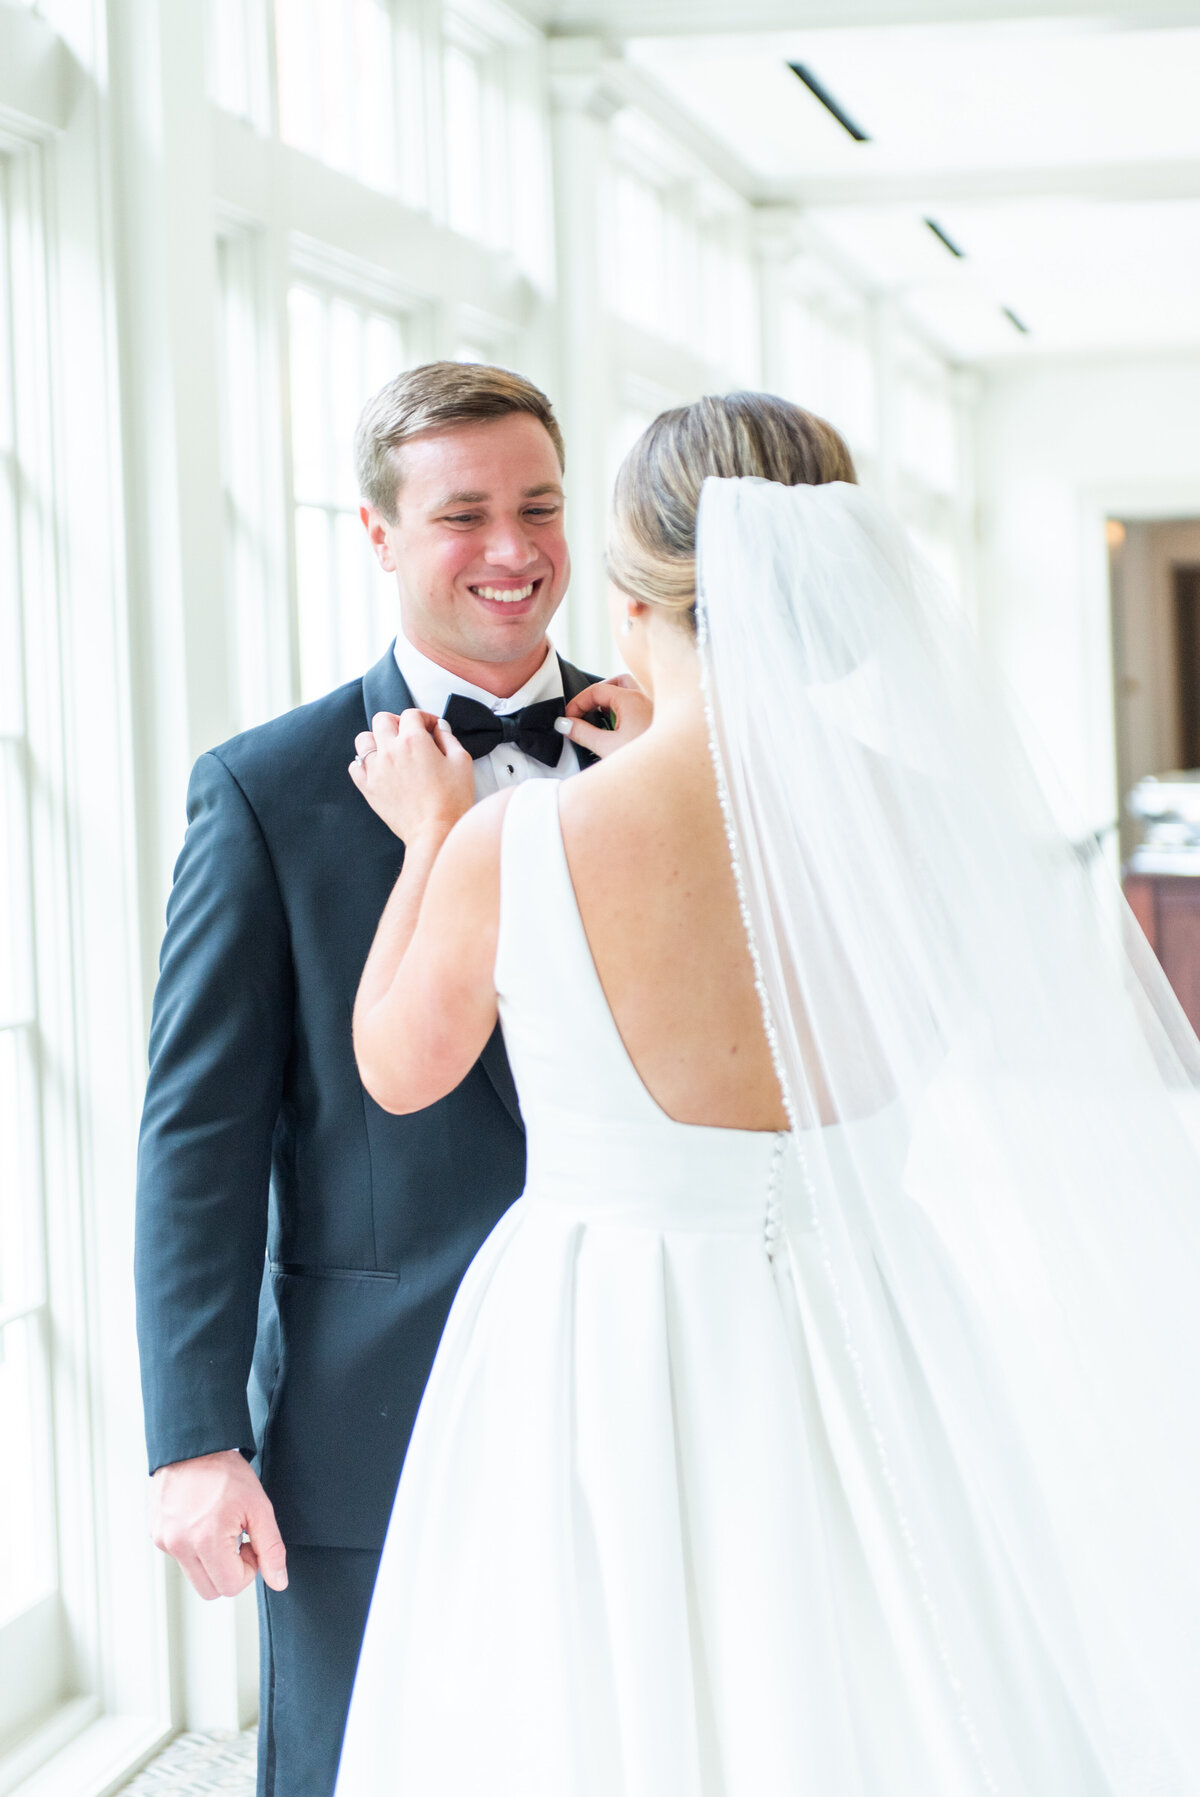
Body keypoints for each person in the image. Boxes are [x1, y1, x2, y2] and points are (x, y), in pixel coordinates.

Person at [335, 392, 1200, 1795]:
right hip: (874, 1309)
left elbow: (398, 1062)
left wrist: (435, 834)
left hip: (608, 1329)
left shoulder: (520, 839)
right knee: (884, 1682)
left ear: (636, 594)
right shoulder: (922, 823)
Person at [134, 362, 642, 1797]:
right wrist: (194, 1438)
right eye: (461, 513)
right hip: (374, 1412)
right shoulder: (266, 790)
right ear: (376, 535)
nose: (512, 548)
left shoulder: (658, 753)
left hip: (639, 1367)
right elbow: (201, 1136)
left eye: (539, 505)